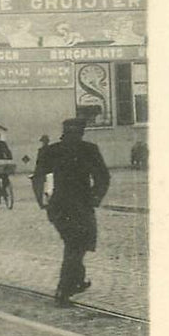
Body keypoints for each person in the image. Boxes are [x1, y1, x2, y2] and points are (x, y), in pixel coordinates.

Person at [32, 118, 110, 307]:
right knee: (77, 245)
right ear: (81, 132)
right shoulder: (88, 149)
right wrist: (95, 196)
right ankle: (65, 288)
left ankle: (76, 281)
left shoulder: (51, 150)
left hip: (58, 206)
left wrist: (42, 202)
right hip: (81, 205)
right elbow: (103, 176)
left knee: (74, 244)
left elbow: (38, 178)